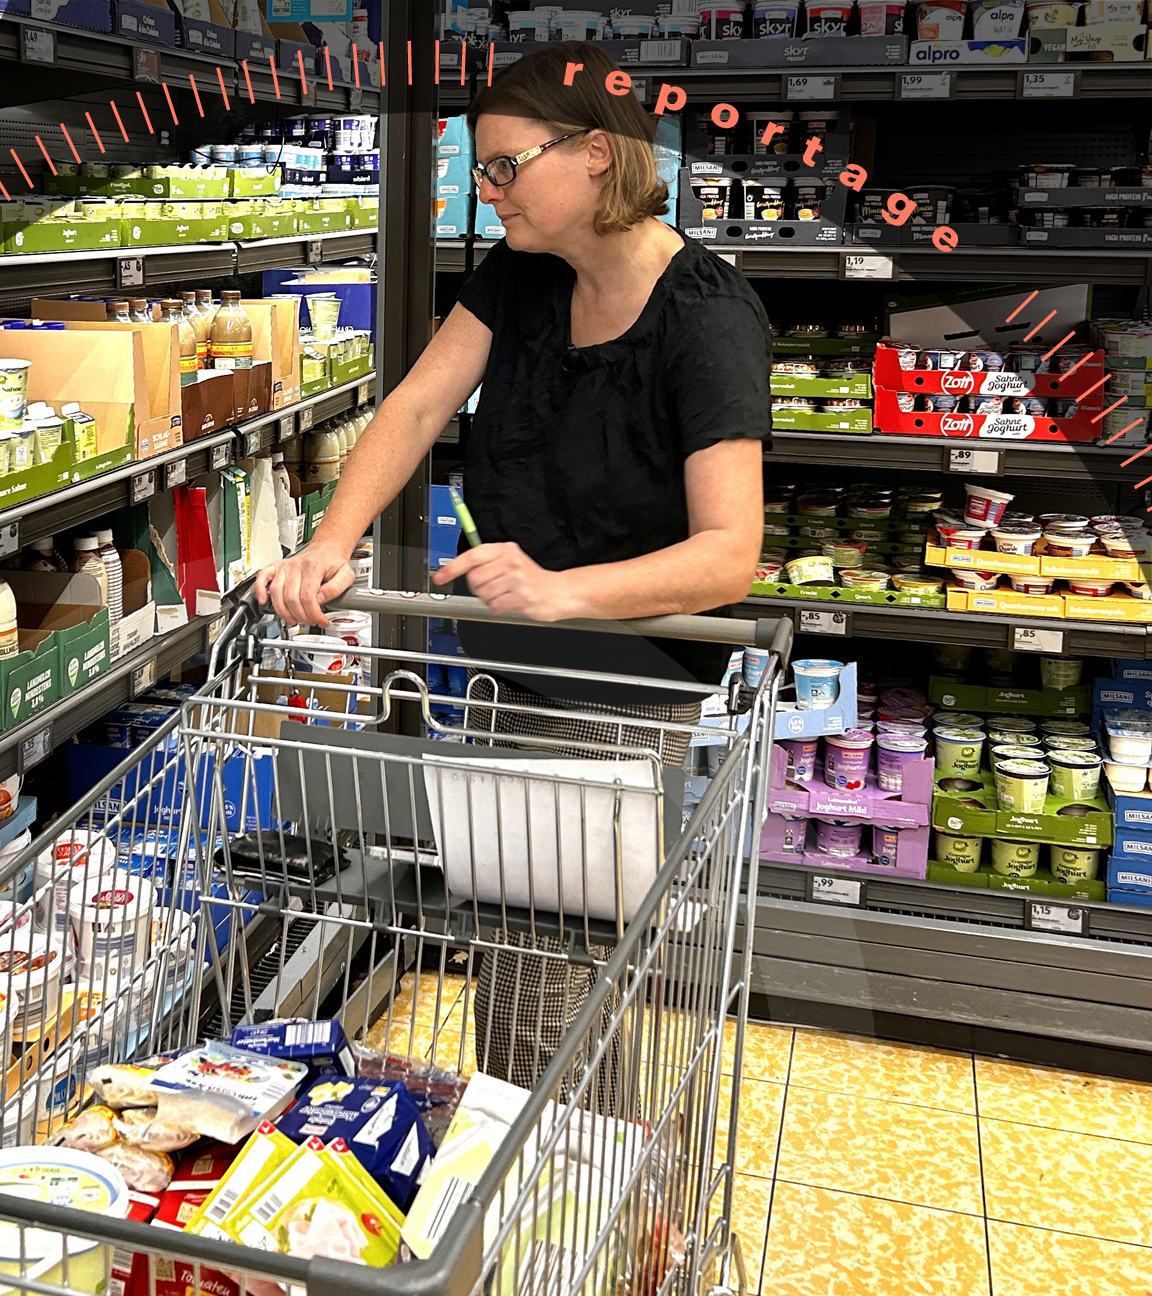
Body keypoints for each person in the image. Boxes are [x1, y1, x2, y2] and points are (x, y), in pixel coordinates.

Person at [254, 41, 771, 1093]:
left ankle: (547, 1226)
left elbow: (730, 556)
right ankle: (604, 1192)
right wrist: (329, 539)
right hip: (509, 675)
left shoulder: (706, 319)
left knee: (535, 992)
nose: (486, 196)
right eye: (479, 171)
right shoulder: (524, 275)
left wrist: (561, 591)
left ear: (594, 154)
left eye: (503, 167)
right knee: (538, 969)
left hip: (621, 691)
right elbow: (414, 406)